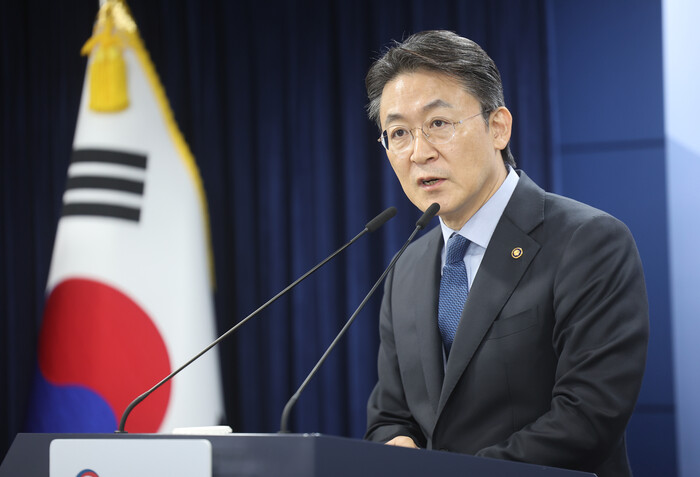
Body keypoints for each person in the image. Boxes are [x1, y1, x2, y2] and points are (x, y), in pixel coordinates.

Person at [363, 30, 649, 477]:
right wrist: (394, 444)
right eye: (398, 133)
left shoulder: (589, 241)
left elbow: (588, 417)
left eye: (439, 123)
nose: (419, 152)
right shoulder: (407, 267)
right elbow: (389, 416)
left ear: (498, 127)